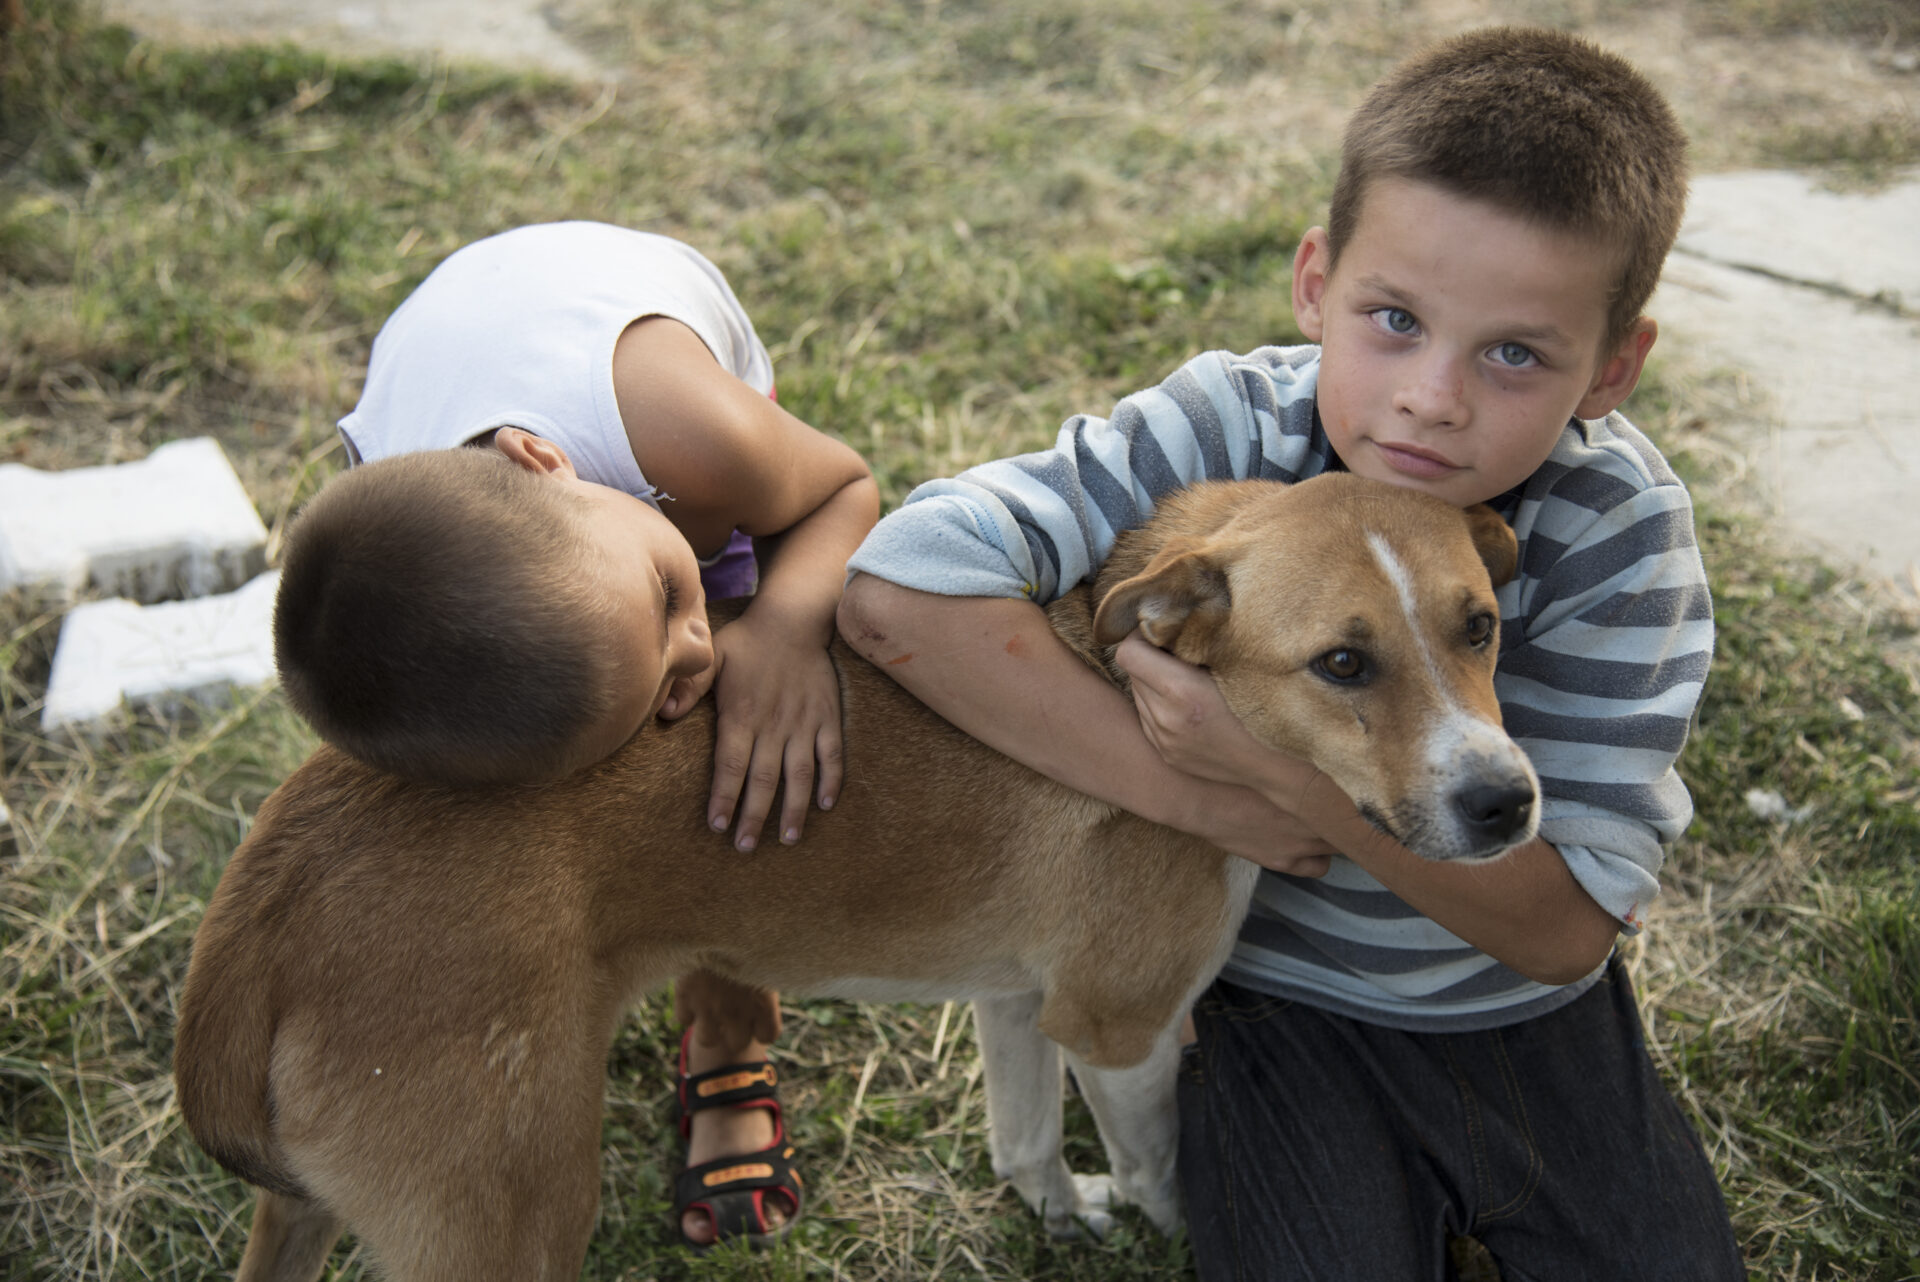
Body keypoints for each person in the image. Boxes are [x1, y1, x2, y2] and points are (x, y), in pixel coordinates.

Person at [837, 28, 1741, 1280]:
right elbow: (902, 586)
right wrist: (1176, 781)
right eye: (1395, 320)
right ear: (1316, 284)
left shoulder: (1620, 533)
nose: (1434, 396)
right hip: (1277, 1014)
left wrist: (1274, 779)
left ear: (1616, 366)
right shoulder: (1225, 425)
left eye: (1516, 352)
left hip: (1520, 1012)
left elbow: (1562, 935)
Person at [274, 221, 879, 1250]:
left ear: (544, 464)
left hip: (625, 358)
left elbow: (841, 488)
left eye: (668, 608)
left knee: (729, 748)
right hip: (458, 358)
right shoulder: (396, 525)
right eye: (680, 628)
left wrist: (777, 625)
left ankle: (729, 1036)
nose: (696, 649)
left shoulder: (698, 442)